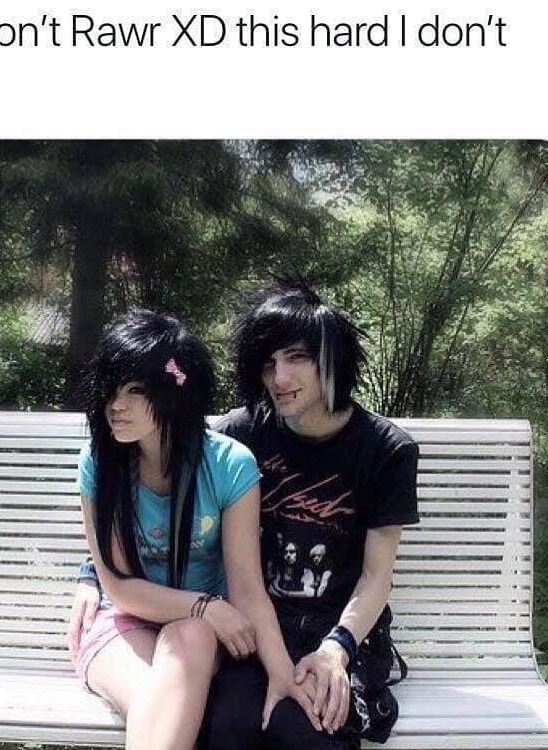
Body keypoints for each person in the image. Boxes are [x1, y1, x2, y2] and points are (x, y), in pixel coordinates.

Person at [71, 281, 419, 749]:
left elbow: (375, 576)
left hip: (318, 629)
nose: (279, 378)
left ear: (331, 359)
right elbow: (157, 487)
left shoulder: (384, 450)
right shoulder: (244, 430)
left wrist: (336, 648)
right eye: (268, 363)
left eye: (296, 358)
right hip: (228, 625)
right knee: (214, 725)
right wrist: (92, 573)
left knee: (301, 731)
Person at [70, 308, 316, 750]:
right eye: (110, 388)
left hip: (199, 636)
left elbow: (247, 589)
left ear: (175, 392)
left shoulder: (229, 465)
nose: (116, 404)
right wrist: (206, 606)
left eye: (135, 390)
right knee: (166, 712)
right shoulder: (100, 462)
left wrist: (281, 671)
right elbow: (119, 588)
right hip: (122, 623)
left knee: (184, 664)